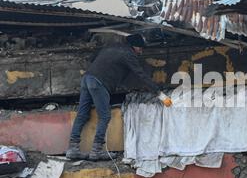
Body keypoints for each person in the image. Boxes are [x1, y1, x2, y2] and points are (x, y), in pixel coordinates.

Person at [66, 33, 172, 161]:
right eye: (140, 48)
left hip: (87, 79)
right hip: (100, 84)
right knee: (104, 115)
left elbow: (93, 58)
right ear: (134, 46)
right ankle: (96, 150)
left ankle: (72, 149)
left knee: (82, 114)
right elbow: (141, 75)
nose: (141, 51)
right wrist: (159, 94)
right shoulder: (128, 54)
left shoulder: (111, 47)